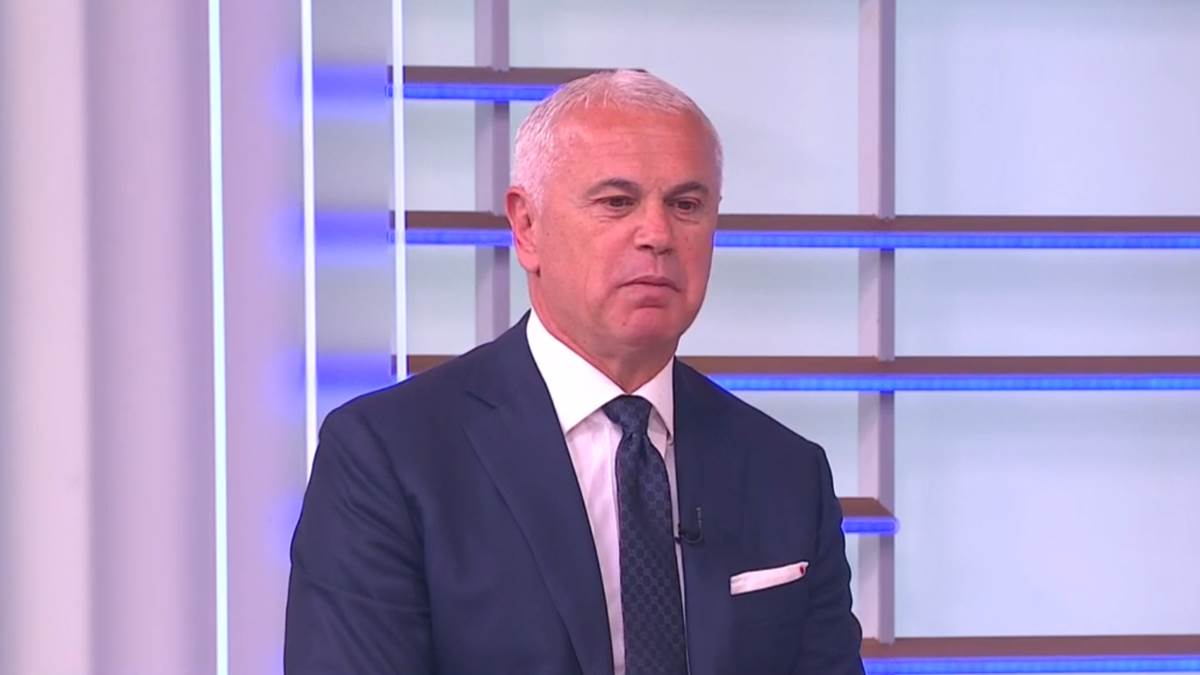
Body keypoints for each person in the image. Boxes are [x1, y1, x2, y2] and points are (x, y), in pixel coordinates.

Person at [284, 69, 865, 675]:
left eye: (686, 205)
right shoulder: (387, 456)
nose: (658, 235)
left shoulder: (787, 472)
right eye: (617, 202)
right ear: (526, 227)